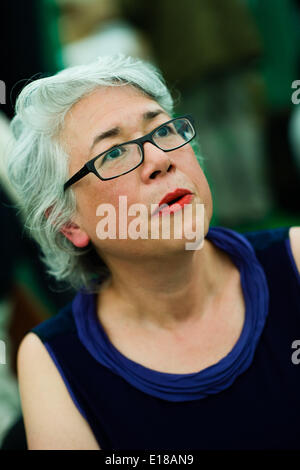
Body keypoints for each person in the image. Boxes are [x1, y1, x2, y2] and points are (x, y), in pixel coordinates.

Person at [5, 55, 300, 450]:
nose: (160, 159)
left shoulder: (295, 260)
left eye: (163, 129)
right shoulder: (54, 362)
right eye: (113, 153)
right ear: (69, 224)